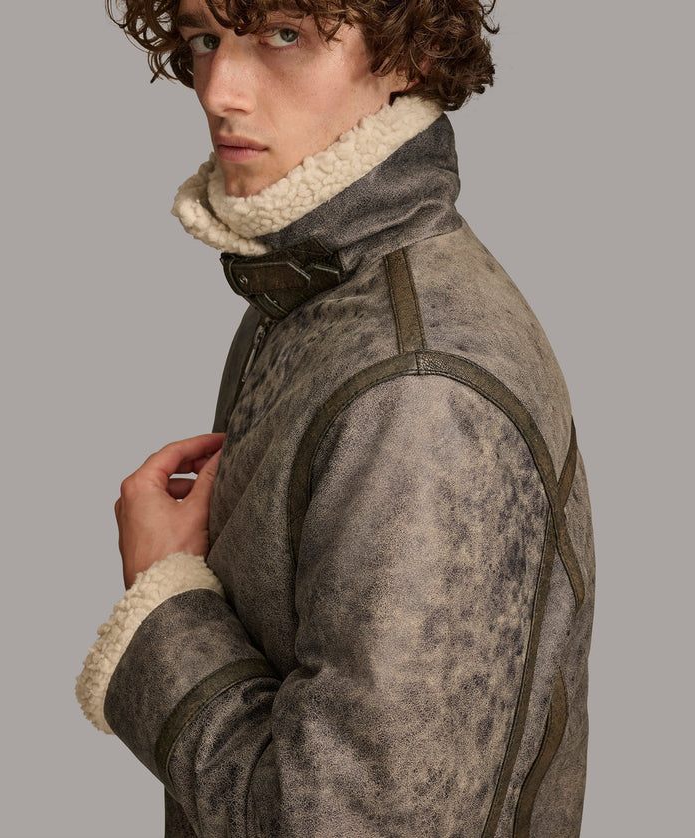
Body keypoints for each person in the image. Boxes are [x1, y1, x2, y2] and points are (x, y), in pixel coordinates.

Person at [76, 0, 595, 835]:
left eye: (284, 36)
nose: (220, 90)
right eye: (205, 38)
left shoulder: (419, 389)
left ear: (409, 53)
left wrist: (166, 601)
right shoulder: (315, 288)